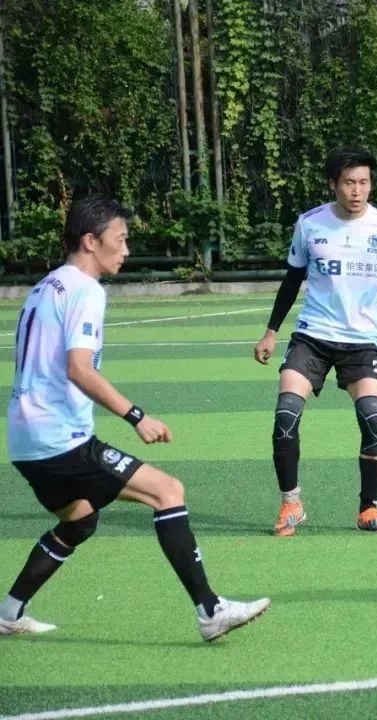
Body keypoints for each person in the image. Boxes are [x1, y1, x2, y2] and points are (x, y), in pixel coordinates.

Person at [1, 196, 269, 640]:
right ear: (91, 241)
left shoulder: (47, 285)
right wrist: (136, 416)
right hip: (58, 437)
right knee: (167, 491)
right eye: (120, 240)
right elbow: (79, 369)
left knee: (80, 519)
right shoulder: (86, 290)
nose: (126, 250)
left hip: (24, 438)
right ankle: (210, 610)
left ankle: (9, 612)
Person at [253, 148, 377, 537]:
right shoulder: (310, 223)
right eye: (349, 182)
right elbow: (291, 279)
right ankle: (291, 504)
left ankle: (369, 510)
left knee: (373, 420)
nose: (357, 191)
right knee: (285, 416)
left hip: (361, 342)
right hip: (312, 337)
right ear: (333, 184)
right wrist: (271, 331)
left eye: (364, 182)